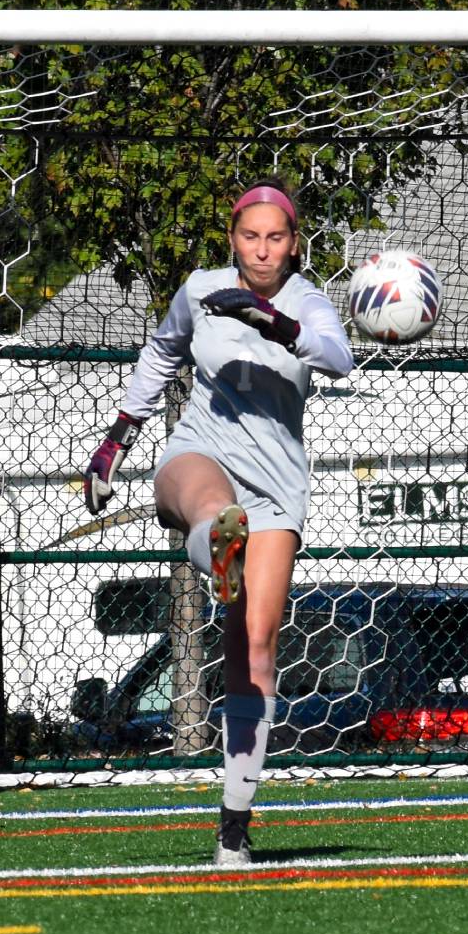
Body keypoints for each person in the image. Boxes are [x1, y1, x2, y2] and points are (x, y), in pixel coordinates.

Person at [82, 178, 353, 865]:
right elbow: (161, 353)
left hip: (275, 488)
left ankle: (234, 821)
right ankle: (216, 542)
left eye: (277, 238)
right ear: (232, 237)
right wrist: (116, 440)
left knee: (255, 652)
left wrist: (277, 326)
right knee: (204, 503)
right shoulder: (200, 289)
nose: (263, 251)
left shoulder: (305, 302)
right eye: (250, 236)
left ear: (295, 245)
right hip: (200, 452)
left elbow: (338, 357)